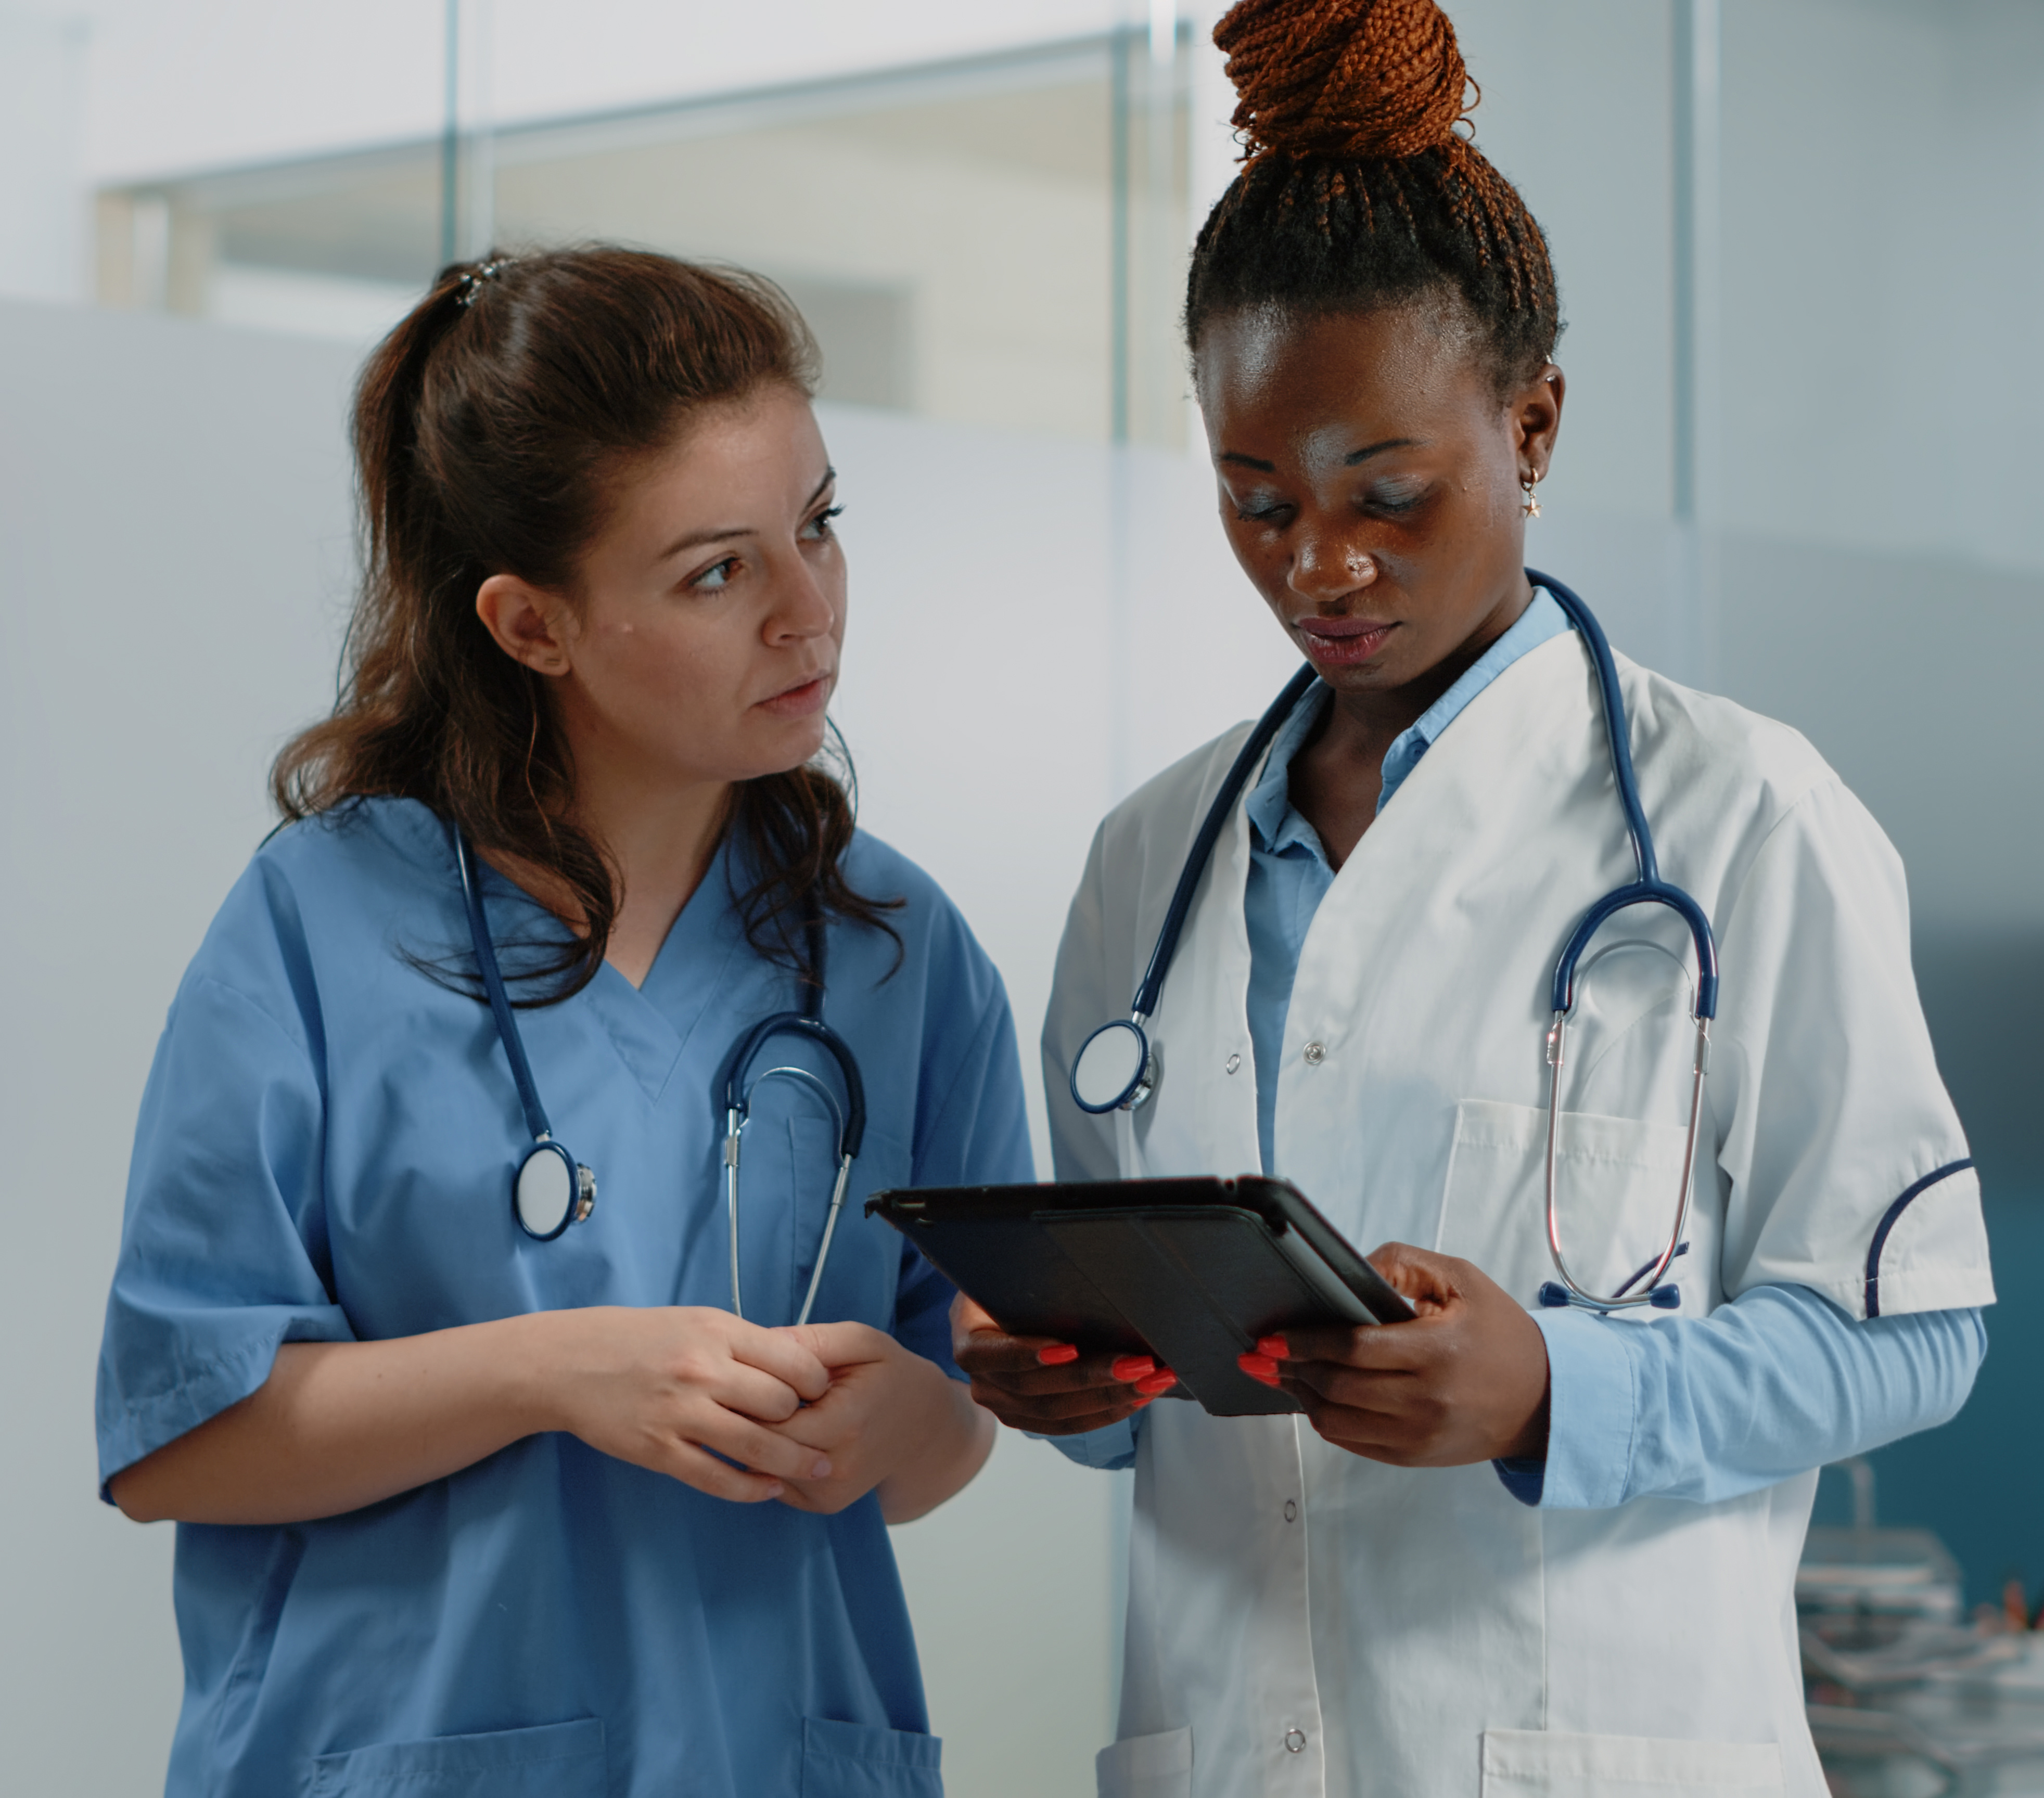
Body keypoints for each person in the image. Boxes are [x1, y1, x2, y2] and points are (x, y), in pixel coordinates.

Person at [954, 4, 1992, 1794]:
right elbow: (1158, 1400)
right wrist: (1066, 1385)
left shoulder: (1746, 820)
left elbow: (1911, 1333)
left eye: (1390, 494)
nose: (1320, 564)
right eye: (1255, 498)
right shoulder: (1150, 860)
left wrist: (1555, 1396)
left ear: (1532, 424)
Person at [95, 248, 1029, 1798]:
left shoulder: (897, 951)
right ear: (534, 626)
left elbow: (952, 1431)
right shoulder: (320, 929)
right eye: (719, 571)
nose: (808, 616)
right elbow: (183, 1436)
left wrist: (900, 1423)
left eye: (820, 528)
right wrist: (553, 1373)